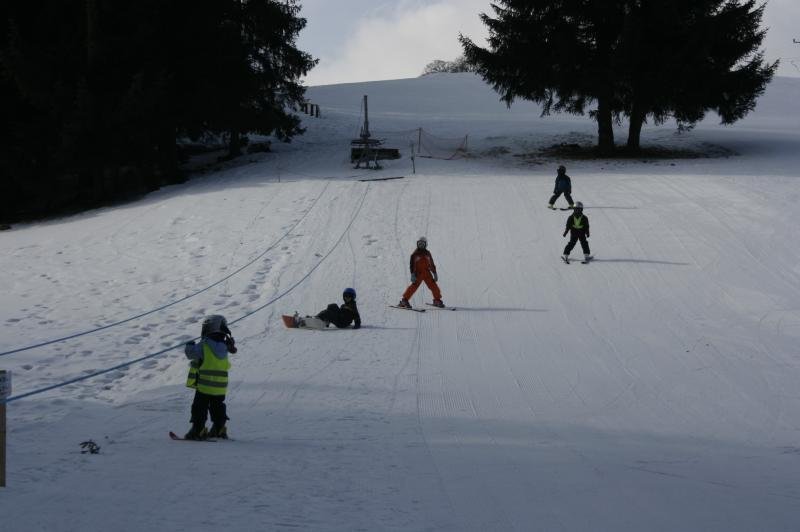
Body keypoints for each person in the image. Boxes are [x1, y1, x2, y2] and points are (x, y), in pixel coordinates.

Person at [184, 314, 237, 440]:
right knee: (218, 406)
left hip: (205, 385)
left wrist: (189, 345)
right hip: (220, 387)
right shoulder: (225, 346)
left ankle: (198, 429)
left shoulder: (205, 345)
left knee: (199, 407)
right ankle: (219, 429)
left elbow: (190, 354)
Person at [398, 236, 444, 308]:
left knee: (434, 286)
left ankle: (437, 300)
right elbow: (412, 265)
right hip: (418, 273)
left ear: (426, 245)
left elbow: (431, 264)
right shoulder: (415, 254)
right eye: (419, 244)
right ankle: (404, 300)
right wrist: (412, 274)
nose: (421, 245)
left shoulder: (428, 254)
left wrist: (434, 273)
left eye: (422, 244)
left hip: (427, 273)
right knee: (413, 287)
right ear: (417, 244)